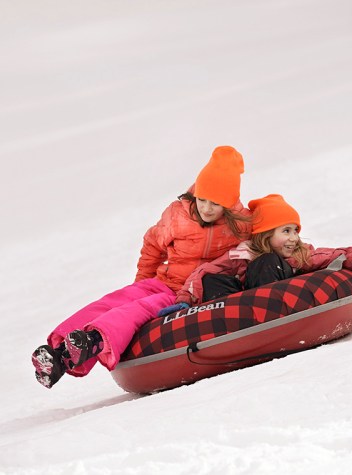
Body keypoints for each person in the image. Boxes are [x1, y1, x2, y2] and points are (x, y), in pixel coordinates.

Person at [32, 146, 252, 388]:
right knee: (114, 301)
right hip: (163, 282)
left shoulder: (241, 226)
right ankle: (57, 355)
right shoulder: (179, 214)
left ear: (229, 203)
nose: (207, 208)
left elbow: (263, 240)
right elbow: (152, 246)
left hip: (187, 293)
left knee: (136, 310)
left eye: (216, 203)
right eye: (202, 199)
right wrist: (142, 283)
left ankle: (93, 341)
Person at [157, 193, 352, 317]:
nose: (293, 238)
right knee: (212, 278)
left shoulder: (300, 255)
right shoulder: (242, 255)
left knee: (268, 262)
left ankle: (269, 316)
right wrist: (185, 302)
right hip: (243, 308)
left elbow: (340, 254)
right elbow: (202, 273)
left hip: (283, 305)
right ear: (265, 235)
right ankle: (228, 321)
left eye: (295, 231)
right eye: (286, 231)